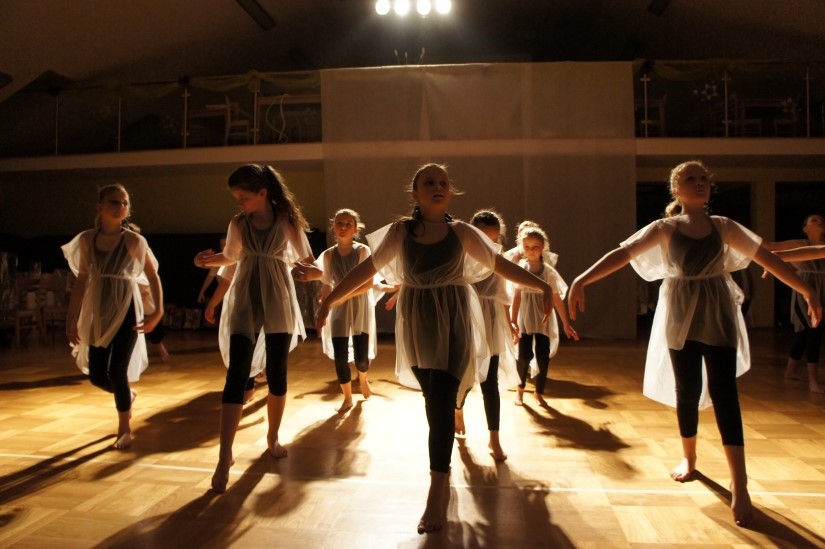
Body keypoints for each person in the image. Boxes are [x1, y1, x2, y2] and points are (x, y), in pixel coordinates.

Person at [567, 160, 821, 527]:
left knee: (724, 392)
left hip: (718, 312)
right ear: (676, 190)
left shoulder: (724, 226)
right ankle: (689, 457)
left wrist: (806, 288)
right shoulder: (665, 228)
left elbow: (765, 257)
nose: (699, 183)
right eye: (690, 179)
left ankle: (740, 483)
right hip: (680, 315)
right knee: (686, 390)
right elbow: (623, 254)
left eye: (703, 178)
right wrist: (582, 279)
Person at [314, 163, 555, 535]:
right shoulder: (401, 231)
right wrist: (330, 299)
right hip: (419, 321)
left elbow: (498, 265)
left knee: (442, 399)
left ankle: (436, 488)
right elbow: (368, 269)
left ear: (450, 191)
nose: (438, 186)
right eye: (429, 182)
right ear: (415, 193)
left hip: (455, 318)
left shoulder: (462, 232)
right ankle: (442, 469)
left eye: (443, 182)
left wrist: (544, 286)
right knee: (433, 401)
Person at [194, 163, 315, 494]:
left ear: (263, 192)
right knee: (237, 374)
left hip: (277, 297)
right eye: (236, 197)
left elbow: (306, 259)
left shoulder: (287, 221)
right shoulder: (239, 223)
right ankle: (225, 454)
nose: (239, 202)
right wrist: (205, 261)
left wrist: (317, 275)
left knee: (277, 373)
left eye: (243, 197)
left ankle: (272, 436)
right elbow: (231, 257)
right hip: (245, 297)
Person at [62, 183, 164, 450]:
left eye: (125, 203)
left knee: (118, 370)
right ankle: (126, 394)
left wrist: (158, 310)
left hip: (125, 309)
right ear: (100, 207)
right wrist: (71, 319)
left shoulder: (133, 241)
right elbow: (81, 281)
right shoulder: (87, 240)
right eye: (114, 202)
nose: (121, 207)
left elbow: (152, 275)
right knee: (97, 375)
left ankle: (124, 428)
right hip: (99, 309)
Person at [454, 209, 520, 461]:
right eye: (483, 238)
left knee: (489, 381)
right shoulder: (460, 254)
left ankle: (494, 438)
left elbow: (502, 294)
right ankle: (457, 409)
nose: (488, 244)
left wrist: (510, 323)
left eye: (493, 239)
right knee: (463, 378)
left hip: (490, 321)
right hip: (466, 319)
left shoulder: (498, 257)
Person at [315, 208, 377, 412]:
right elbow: (326, 284)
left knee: (361, 358)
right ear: (334, 227)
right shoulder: (328, 255)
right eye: (339, 223)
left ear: (356, 229)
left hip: (359, 305)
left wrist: (342, 296)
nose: (343, 227)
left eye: (348, 224)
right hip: (338, 308)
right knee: (340, 355)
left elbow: (368, 284)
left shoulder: (362, 251)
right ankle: (348, 398)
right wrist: (324, 302)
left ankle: (363, 378)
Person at [511, 224, 579, 407]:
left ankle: (539, 393)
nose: (531, 251)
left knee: (543, 357)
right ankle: (520, 390)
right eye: (527, 247)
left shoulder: (548, 272)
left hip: (544, 318)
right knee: (524, 356)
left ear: (543, 247)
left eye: (535, 247)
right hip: (525, 317)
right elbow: (516, 296)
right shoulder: (521, 268)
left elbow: (556, 298)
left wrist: (566, 323)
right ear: (522, 247)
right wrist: (513, 320)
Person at [763, 214, 825, 393]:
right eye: (814, 220)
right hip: (806, 288)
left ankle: (791, 371)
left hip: (822, 289)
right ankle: (813, 380)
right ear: (805, 228)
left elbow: (818, 251)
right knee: (811, 332)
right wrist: (776, 257)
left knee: (806, 334)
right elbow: (770, 246)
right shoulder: (800, 243)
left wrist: (779, 257)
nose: (819, 221)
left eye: (821, 220)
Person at [196, 238, 225, 305]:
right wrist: (202, 292)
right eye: (221, 245)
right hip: (223, 295)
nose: (223, 247)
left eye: (225, 244)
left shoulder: (235, 259)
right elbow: (210, 277)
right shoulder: (218, 261)